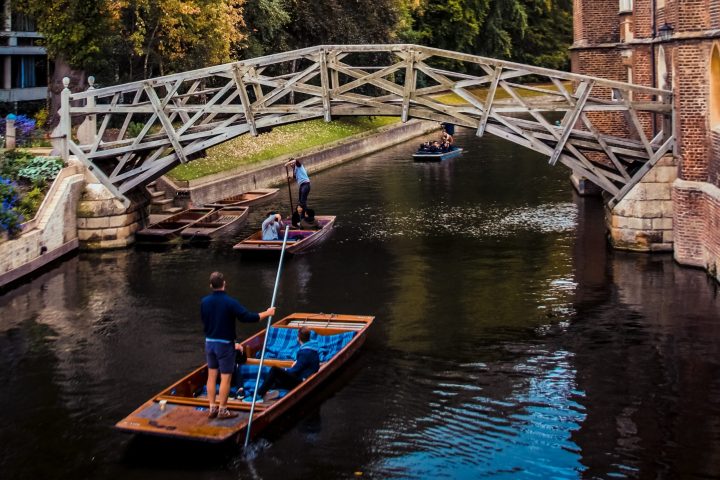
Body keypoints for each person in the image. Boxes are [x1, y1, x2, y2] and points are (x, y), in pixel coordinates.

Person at [201, 271, 275, 420]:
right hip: (224, 345)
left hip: (209, 343)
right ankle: (222, 410)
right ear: (224, 284)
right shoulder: (230, 302)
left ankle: (212, 408)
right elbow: (247, 317)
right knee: (225, 378)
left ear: (210, 285)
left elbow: (206, 321)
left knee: (211, 376)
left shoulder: (204, 302)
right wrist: (268, 313)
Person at [247, 326, 319, 403]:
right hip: (304, 376)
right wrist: (296, 363)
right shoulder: (312, 348)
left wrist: (285, 369)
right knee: (276, 375)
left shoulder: (305, 353)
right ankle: (269, 392)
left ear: (298, 338)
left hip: (301, 382)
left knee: (275, 370)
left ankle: (259, 395)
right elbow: (304, 363)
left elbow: (294, 371)